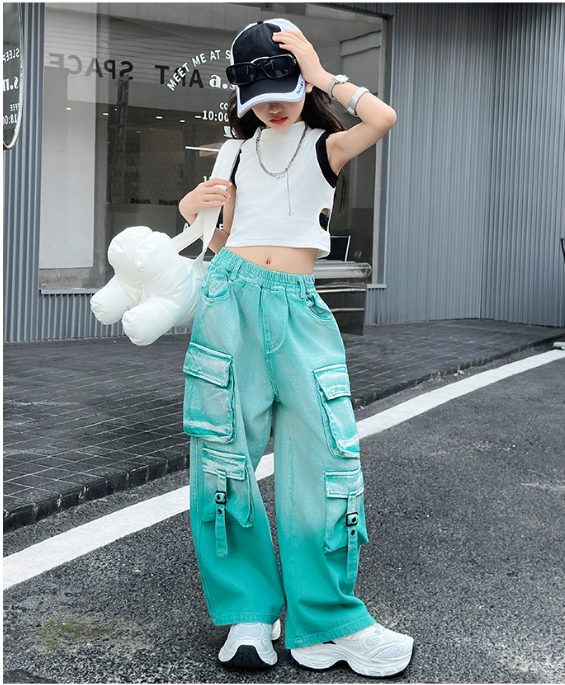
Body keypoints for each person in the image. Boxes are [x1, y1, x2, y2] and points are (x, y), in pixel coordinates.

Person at [179, 18, 414, 678]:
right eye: (260, 99)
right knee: (223, 456)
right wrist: (192, 210)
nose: (274, 107)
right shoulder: (231, 155)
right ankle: (249, 612)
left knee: (328, 456)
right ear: (242, 99)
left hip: (299, 308)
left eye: (284, 92)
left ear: (301, 85)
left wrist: (319, 72)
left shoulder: (323, 146)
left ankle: (326, 621)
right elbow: (221, 242)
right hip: (230, 301)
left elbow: (383, 117)